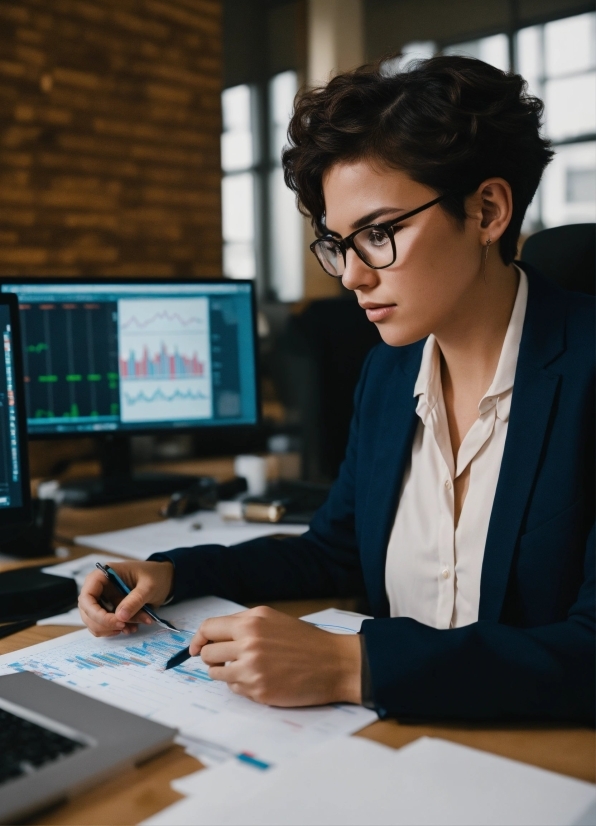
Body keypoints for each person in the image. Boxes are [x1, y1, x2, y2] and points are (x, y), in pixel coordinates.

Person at [79, 55, 594, 723]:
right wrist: (178, 575)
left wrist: (352, 665)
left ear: (487, 210)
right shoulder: (390, 371)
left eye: (379, 235)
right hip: (394, 748)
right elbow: (335, 551)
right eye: (338, 243)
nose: (351, 276)